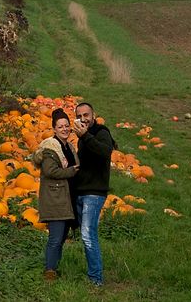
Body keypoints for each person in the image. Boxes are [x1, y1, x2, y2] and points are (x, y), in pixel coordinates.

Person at [71, 101, 116, 287]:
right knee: (89, 234)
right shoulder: (82, 137)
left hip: (94, 193)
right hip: (82, 191)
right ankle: (94, 273)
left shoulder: (101, 132)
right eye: (79, 116)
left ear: (93, 115)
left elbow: (105, 151)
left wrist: (86, 136)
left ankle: (95, 279)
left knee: (88, 234)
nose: (83, 119)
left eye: (86, 115)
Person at [32, 108, 79, 281]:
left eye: (67, 126)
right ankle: (49, 270)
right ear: (54, 129)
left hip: (66, 198)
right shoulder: (50, 148)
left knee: (61, 237)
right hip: (55, 199)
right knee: (55, 238)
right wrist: (71, 171)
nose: (65, 129)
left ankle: (54, 268)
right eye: (61, 126)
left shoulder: (68, 146)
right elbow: (50, 171)